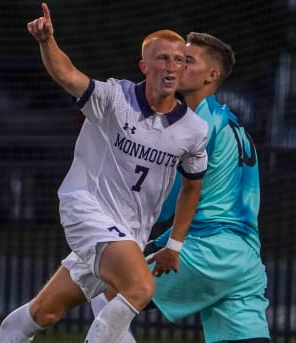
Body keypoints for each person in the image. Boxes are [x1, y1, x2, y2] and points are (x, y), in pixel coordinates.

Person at [0, 3, 209, 343]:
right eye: (163, 58)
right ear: (144, 66)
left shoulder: (194, 129)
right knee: (140, 287)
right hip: (86, 209)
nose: (172, 66)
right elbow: (68, 75)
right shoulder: (114, 97)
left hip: (127, 234)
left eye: (179, 59)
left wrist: (175, 245)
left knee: (44, 311)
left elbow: (192, 187)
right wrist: (47, 41)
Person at [91, 32, 271, 343]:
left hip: (205, 247)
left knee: (105, 293)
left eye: (186, 60)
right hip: (245, 258)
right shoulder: (230, 123)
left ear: (211, 75)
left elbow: (168, 195)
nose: (175, 65)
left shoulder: (196, 126)